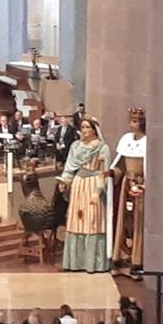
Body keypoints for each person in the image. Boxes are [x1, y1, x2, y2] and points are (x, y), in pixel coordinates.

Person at [57, 117, 113, 273]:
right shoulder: (76, 146)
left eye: (87, 127)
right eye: (82, 127)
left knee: (92, 221)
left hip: (93, 185)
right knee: (76, 220)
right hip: (78, 184)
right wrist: (65, 181)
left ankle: (93, 263)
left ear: (94, 129)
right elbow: (69, 167)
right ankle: (74, 262)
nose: (84, 130)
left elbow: (104, 172)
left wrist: (98, 191)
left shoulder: (102, 148)